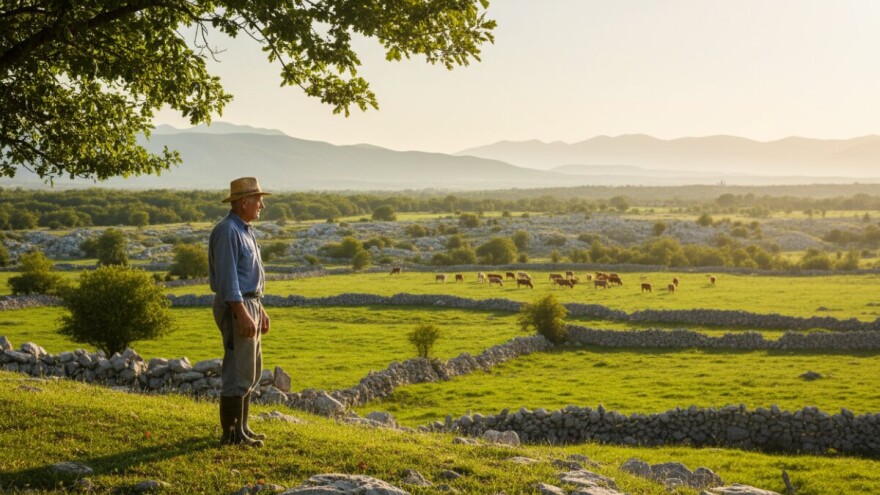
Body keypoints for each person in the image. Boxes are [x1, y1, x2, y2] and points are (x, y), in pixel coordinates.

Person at [209, 177, 272, 447]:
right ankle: (232, 434)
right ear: (243, 202)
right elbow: (228, 278)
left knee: (251, 370)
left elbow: (247, 276)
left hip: (250, 303)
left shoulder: (244, 229)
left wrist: (259, 308)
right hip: (239, 306)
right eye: (258, 199)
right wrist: (241, 312)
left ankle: (242, 429)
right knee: (237, 370)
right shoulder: (227, 231)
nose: (262, 205)